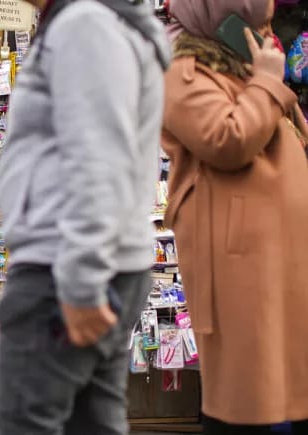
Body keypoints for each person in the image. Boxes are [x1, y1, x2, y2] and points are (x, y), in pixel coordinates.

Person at [0, 0, 170, 434]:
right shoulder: (91, 21)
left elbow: (98, 159)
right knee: (89, 422)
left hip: (63, 270)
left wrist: (81, 281)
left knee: (24, 422)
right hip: (84, 265)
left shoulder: (85, 24)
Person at [162, 1, 308, 433]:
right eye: (253, 19)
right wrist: (267, 82)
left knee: (282, 379)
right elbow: (226, 140)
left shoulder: (241, 65)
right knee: (247, 392)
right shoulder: (182, 70)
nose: (262, 29)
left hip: (274, 252)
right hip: (239, 257)